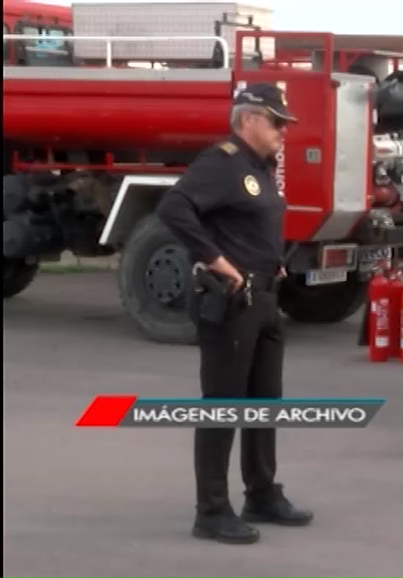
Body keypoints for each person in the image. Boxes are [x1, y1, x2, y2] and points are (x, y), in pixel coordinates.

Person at [156, 83, 312, 545]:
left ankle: (261, 493)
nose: (284, 130)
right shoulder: (222, 162)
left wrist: (270, 260)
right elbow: (174, 208)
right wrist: (218, 262)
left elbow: (248, 223)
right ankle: (212, 511)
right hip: (231, 302)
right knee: (223, 405)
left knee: (264, 403)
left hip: (264, 298)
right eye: (277, 121)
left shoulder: (258, 167)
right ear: (249, 119)